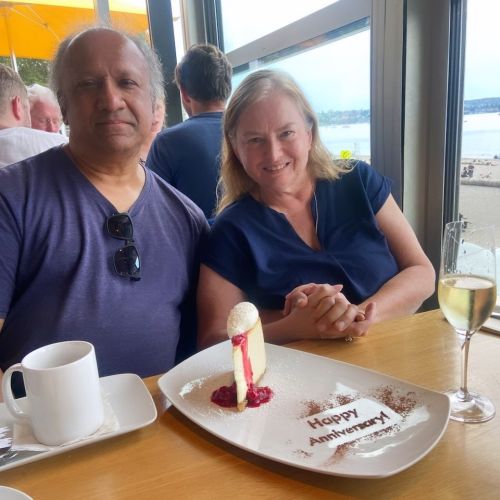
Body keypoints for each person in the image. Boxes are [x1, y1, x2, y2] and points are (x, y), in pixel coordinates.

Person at [0, 27, 209, 398]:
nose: (111, 99)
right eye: (87, 84)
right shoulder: (12, 197)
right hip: (40, 439)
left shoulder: (188, 220)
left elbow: (201, 347)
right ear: (64, 104)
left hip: (160, 430)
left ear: (154, 104)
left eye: (128, 82)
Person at [197, 70, 435, 348]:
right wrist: (295, 327)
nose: (273, 154)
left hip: (400, 355)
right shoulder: (230, 229)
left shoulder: (359, 181)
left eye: (286, 133)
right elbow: (211, 340)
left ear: (309, 135)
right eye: (254, 140)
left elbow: (422, 272)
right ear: (235, 148)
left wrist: (357, 316)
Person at [146, 44, 232, 219]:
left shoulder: (167, 143)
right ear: (228, 88)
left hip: (197, 245)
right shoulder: (252, 133)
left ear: (184, 93)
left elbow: (152, 214)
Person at [0, 64, 67, 168]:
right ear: (17, 106)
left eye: (56, 121)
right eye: (42, 120)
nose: (52, 129)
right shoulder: (67, 148)